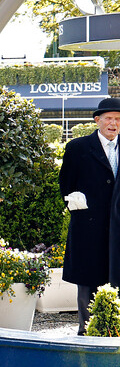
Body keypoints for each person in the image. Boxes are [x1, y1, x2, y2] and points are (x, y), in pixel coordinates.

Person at [60, 97, 120, 334]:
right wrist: (80, 206)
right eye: (109, 119)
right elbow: (66, 185)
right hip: (89, 227)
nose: (114, 124)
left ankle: (115, 330)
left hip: (119, 227)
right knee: (88, 281)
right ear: (97, 121)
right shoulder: (78, 148)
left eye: (118, 119)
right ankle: (87, 331)